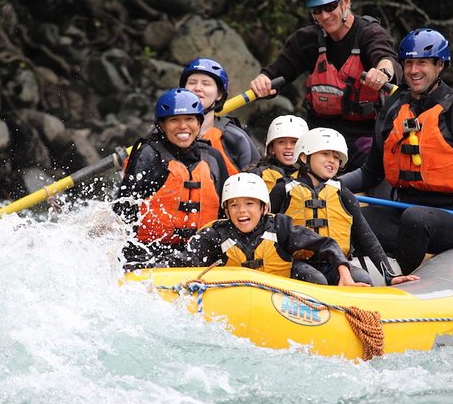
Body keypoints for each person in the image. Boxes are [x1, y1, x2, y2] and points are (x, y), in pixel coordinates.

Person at [340, 28, 453, 274]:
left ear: (439, 66)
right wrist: (332, 184)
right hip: (402, 211)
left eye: (422, 63)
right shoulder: (394, 107)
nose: (414, 71)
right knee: (350, 217)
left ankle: (400, 281)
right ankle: (355, 278)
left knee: (416, 218)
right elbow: (370, 173)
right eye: (409, 63)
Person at [249, 0, 401, 172]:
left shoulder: (369, 33)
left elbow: (385, 57)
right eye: (317, 11)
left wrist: (383, 72)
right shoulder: (307, 40)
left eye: (330, 7)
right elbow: (277, 71)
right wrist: (263, 79)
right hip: (320, 131)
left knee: (377, 162)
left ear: (346, 1)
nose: (325, 16)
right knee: (302, 165)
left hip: (364, 133)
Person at [270, 127, 419, 285]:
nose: (331, 160)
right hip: (296, 263)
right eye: (325, 154)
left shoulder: (342, 192)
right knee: (316, 279)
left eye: (336, 157)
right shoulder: (283, 190)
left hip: (335, 262)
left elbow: (365, 235)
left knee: (362, 279)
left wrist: (390, 275)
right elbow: (265, 228)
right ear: (304, 157)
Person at [172, 172, 369, 287]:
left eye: (249, 203)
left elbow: (325, 244)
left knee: (350, 278)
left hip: (281, 301)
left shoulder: (280, 227)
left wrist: (344, 273)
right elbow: (181, 262)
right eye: (234, 205)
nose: (241, 211)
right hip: (234, 300)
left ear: (263, 207)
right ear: (226, 210)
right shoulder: (216, 235)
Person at [113, 88, 229, 270]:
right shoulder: (149, 155)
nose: (183, 126)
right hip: (148, 254)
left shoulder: (213, 158)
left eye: (189, 119)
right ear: (162, 125)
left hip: (200, 255)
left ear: (199, 123)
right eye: (174, 120)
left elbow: (225, 213)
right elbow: (122, 209)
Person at [180, 57, 261, 174]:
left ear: (219, 95)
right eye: (192, 83)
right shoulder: (166, 133)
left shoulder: (235, 139)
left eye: (206, 84)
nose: (197, 88)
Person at [247, 115, 309, 192]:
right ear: (272, 148)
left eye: (294, 142)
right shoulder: (256, 176)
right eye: (281, 142)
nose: (288, 146)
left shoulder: (315, 176)